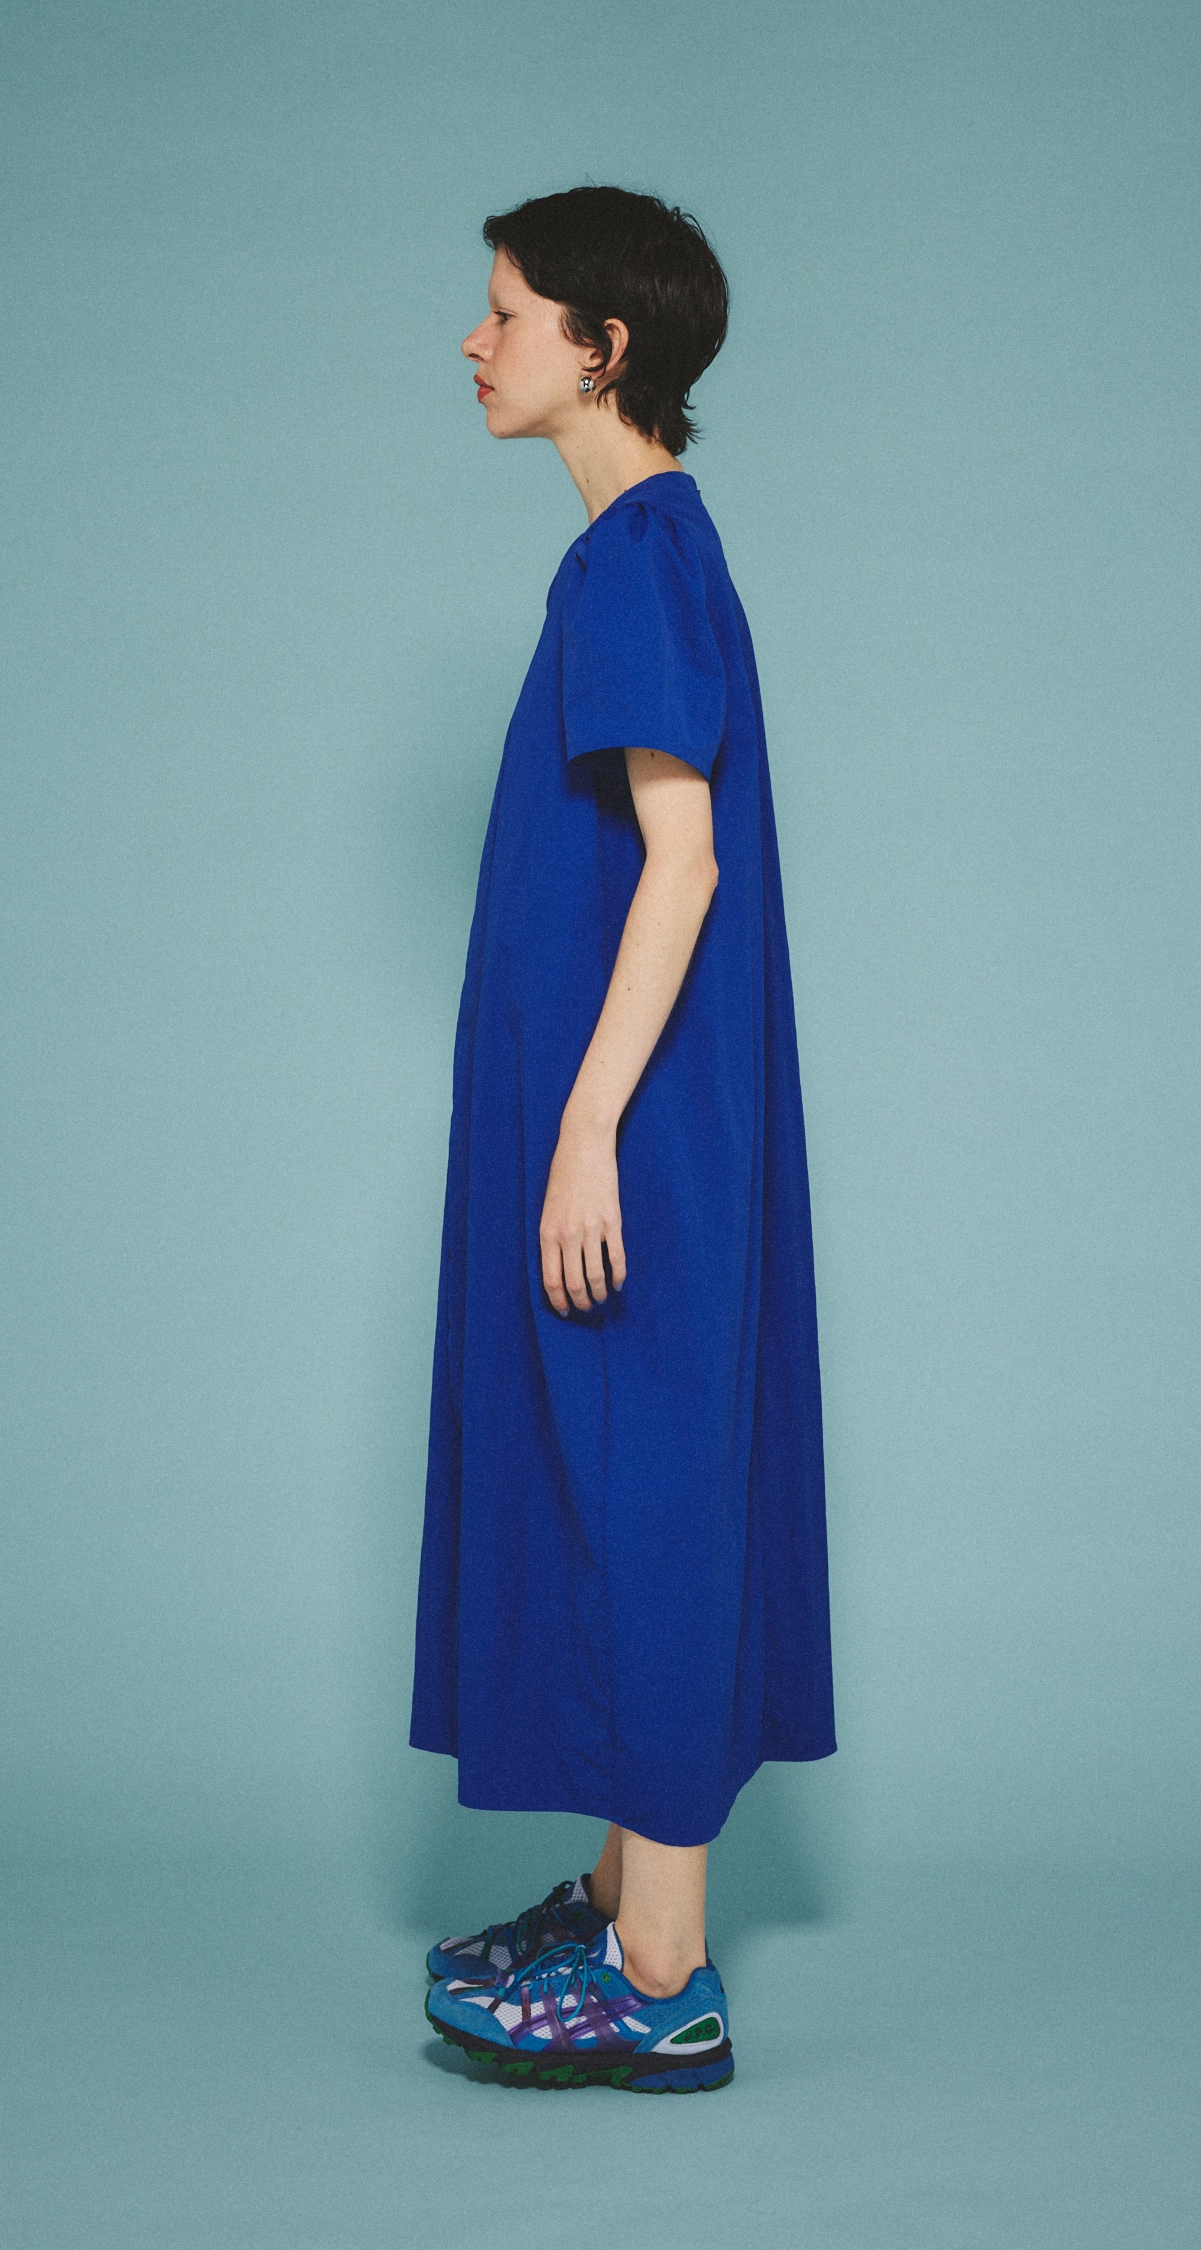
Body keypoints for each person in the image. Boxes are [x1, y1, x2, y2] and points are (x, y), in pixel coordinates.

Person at [412, 186, 835, 2093]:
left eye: (508, 313)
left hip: (637, 1137)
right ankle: (617, 1895)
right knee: (626, 1483)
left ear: (605, 348)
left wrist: (585, 1128)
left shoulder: (638, 558)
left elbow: (685, 860)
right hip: (640, 1120)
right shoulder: (636, 549)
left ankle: (661, 1974)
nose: (475, 340)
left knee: (644, 1498)